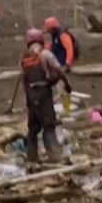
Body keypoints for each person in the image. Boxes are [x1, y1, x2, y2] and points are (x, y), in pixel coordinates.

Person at [20, 29, 71, 163]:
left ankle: (31, 155)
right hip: (44, 91)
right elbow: (58, 70)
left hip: (31, 93)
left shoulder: (25, 58)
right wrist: (67, 83)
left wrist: (28, 98)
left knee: (33, 127)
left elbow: (24, 79)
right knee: (48, 124)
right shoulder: (45, 54)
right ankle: (54, 155)